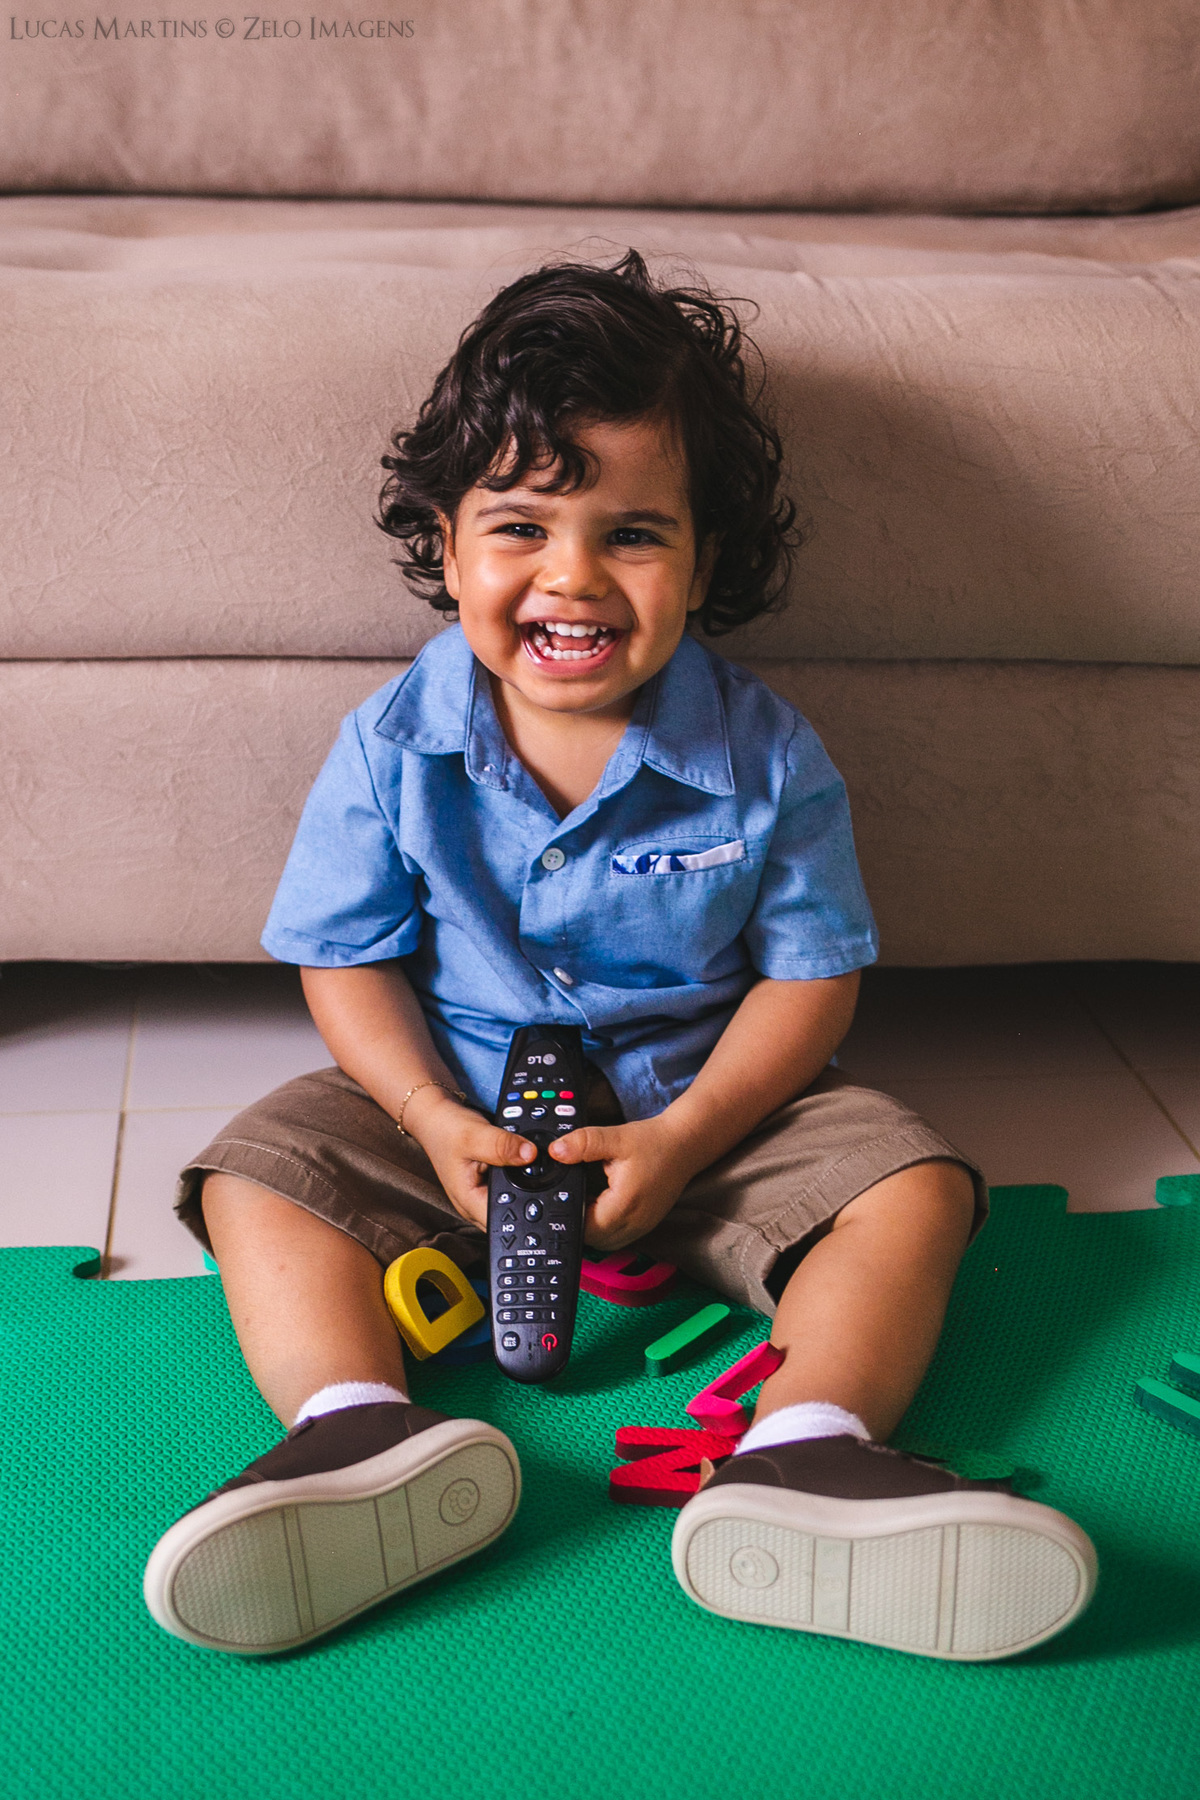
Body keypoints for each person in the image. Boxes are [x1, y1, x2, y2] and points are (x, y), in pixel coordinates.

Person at [143, 252, 1096, 1661]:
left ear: (707, 559)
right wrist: (423, 1118)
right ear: (451, 546)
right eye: (520, 526)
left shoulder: (769, 758)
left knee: (918, 1186)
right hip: (459, 1107)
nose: (570, 579)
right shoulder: (391, 745)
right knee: (253, 1177)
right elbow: (344, 962)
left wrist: (694, 1129)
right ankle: (351, 1436)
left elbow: (809, 979)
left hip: (713, 1107)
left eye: (633, 534)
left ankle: (808, 1453)